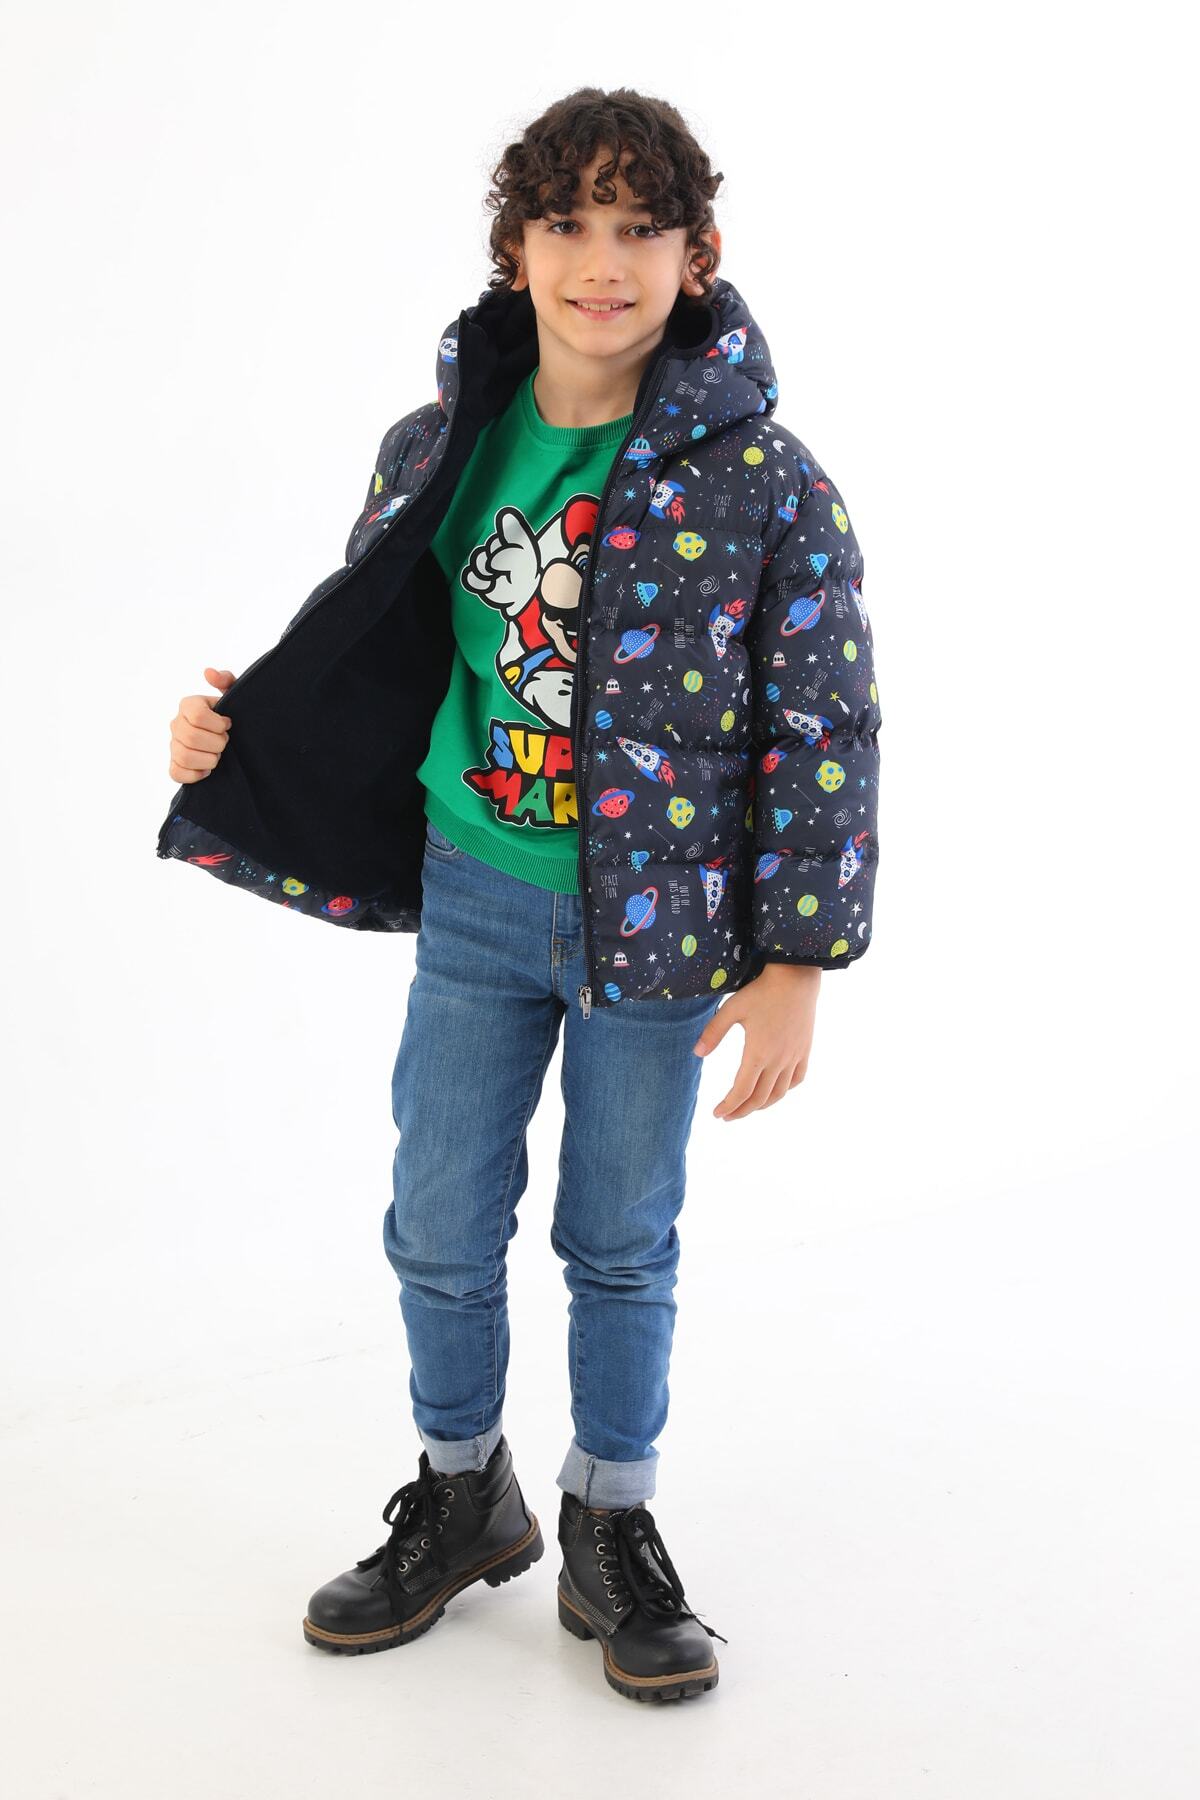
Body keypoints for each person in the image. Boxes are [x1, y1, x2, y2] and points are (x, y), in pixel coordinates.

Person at [161, 86, 881, 1705]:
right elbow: (369, 640)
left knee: (617, 1234)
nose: (601, 262)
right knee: (437, 1217)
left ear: (701, 254)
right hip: (477, 896)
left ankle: (609, 1517)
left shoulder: (763, 481)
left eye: (640, 228)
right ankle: (461, 1489)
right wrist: (232, 735)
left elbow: (824, 724)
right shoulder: (441, 443)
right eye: (567, 224)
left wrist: (798, 961)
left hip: (658, 931)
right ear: (515, 251)